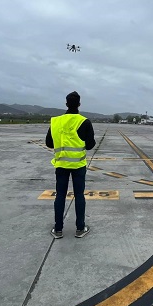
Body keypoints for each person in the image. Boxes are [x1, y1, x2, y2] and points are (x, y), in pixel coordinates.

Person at [46, 91, 96, 239]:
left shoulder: (55, 121)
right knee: (79, 195)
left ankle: (58, 229)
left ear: (66, 104)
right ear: (79, 104)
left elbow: (49, 143)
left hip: (61, 164)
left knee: (60, 195)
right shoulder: (84, 121)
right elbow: (90, 145)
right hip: (78, 166)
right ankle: (80, 228)